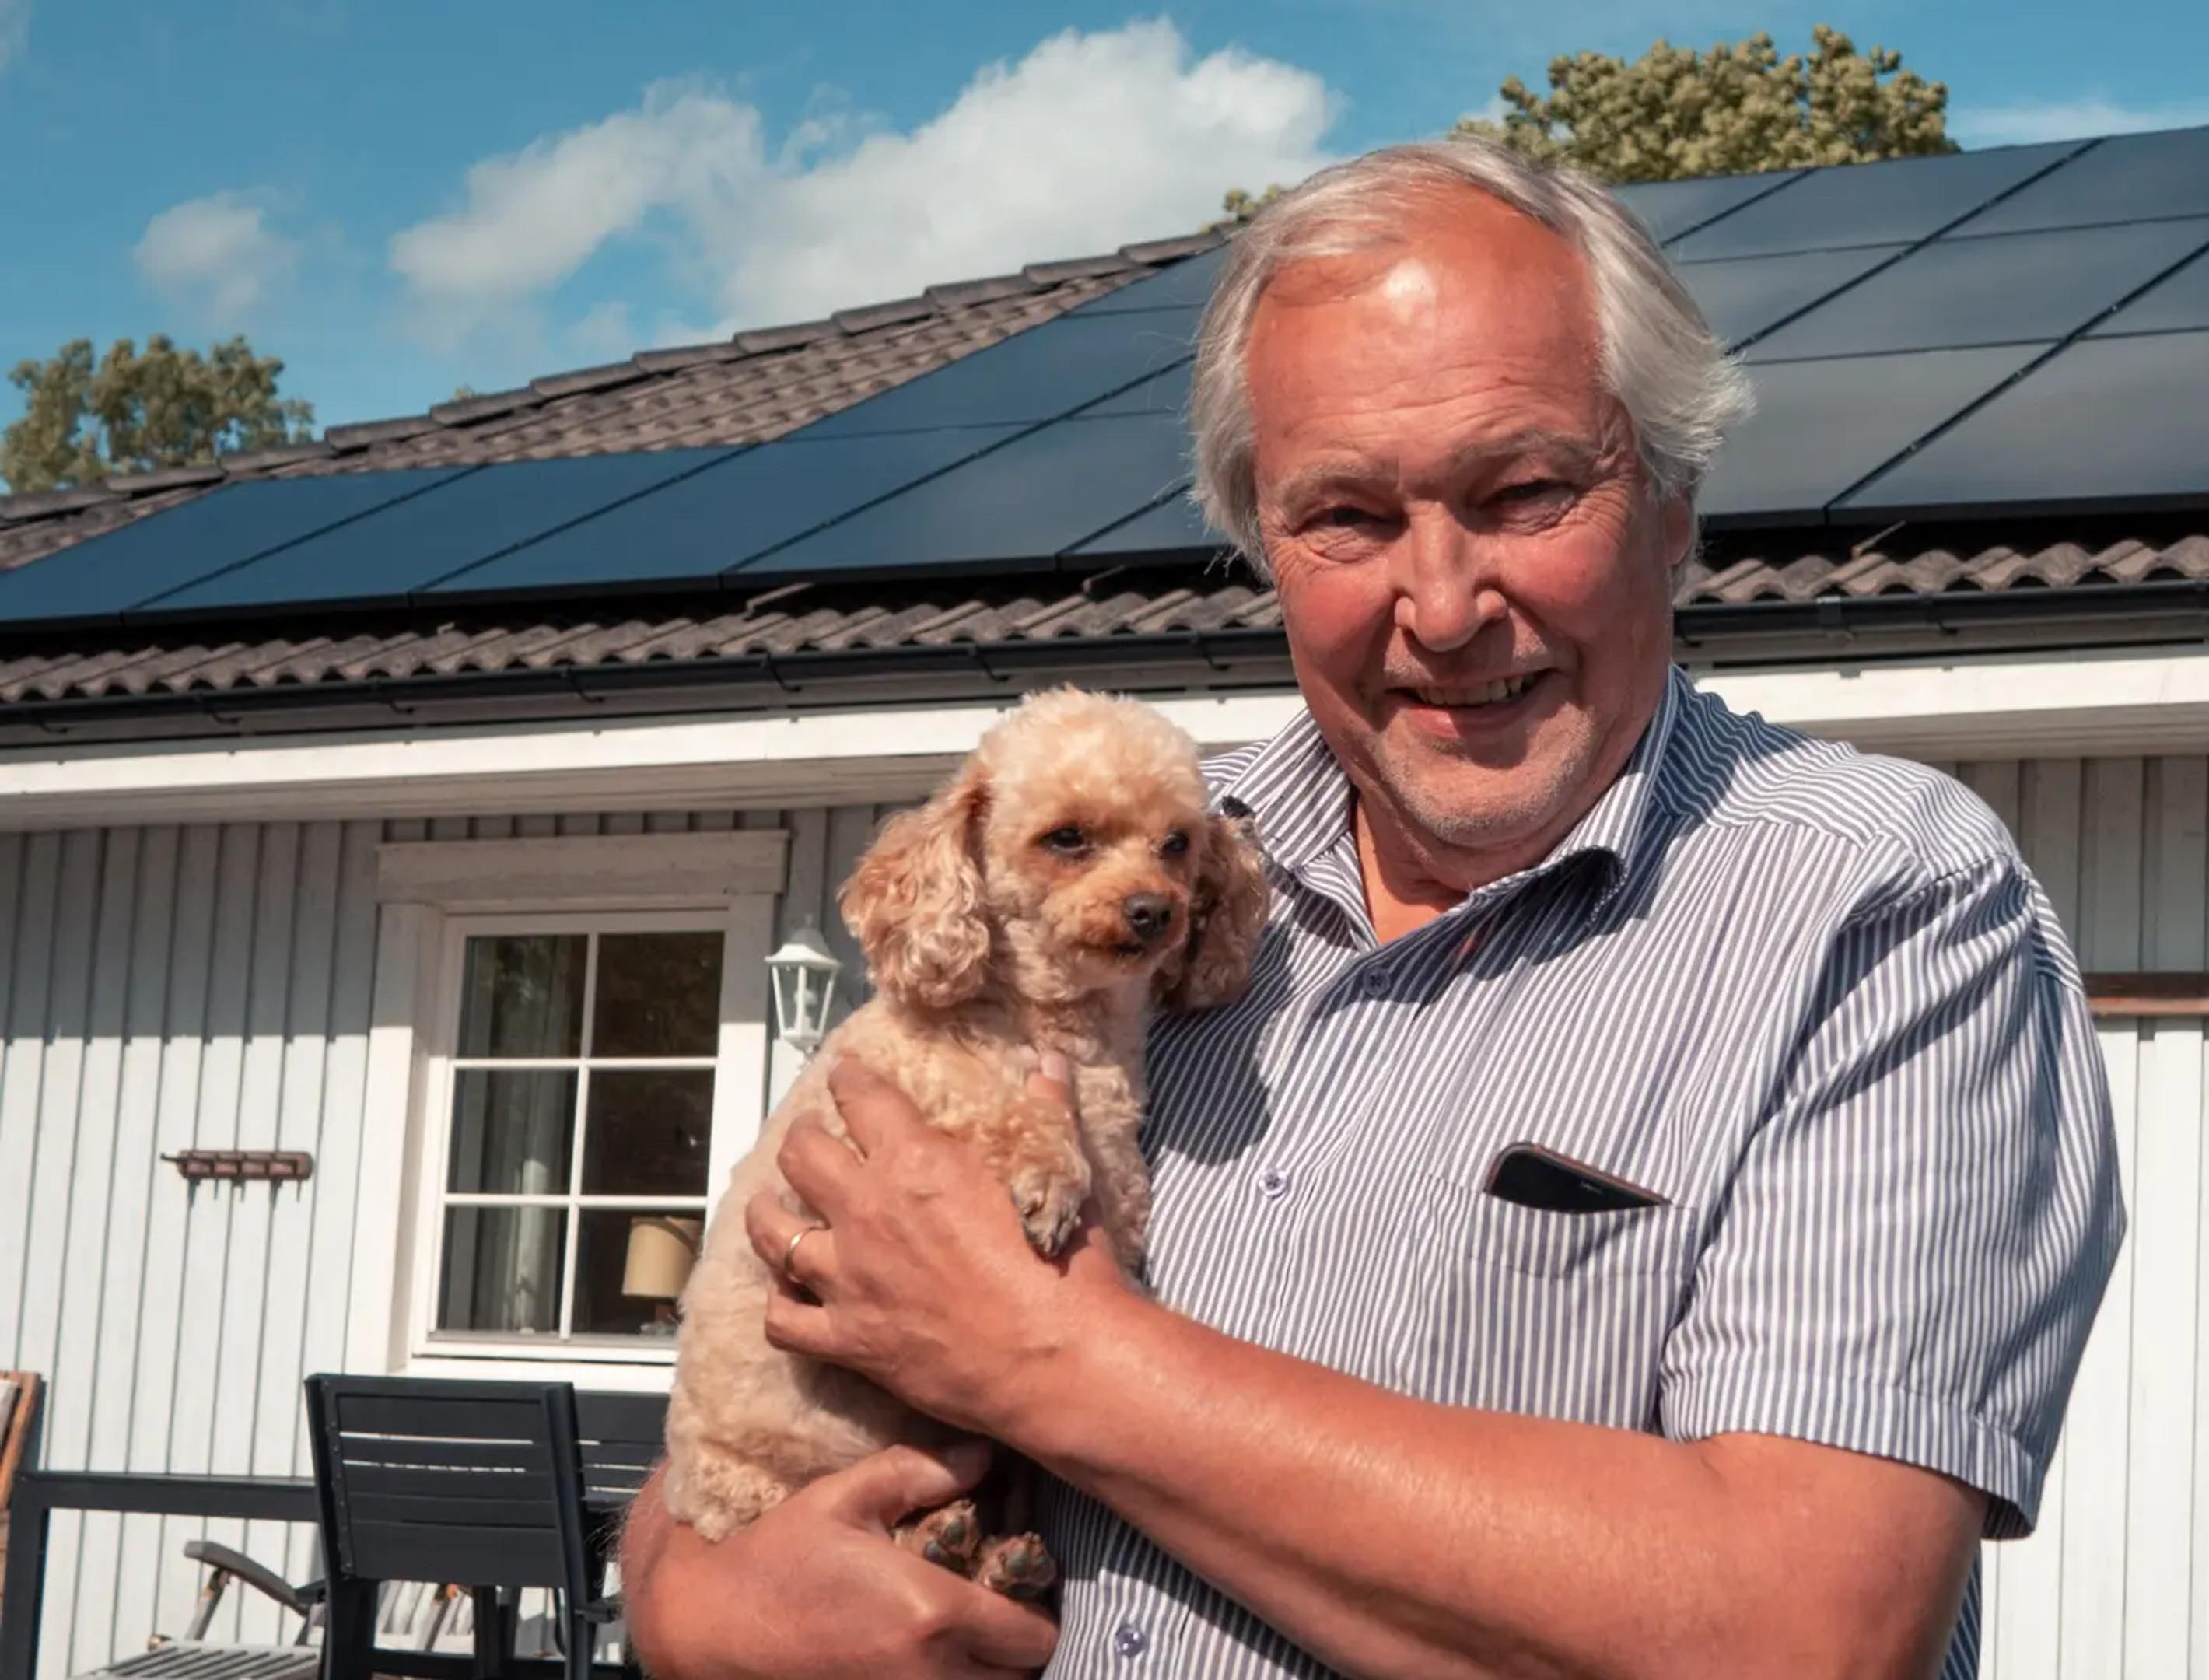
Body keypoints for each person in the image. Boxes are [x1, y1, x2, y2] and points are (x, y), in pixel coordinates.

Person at [618, 136, 2125, 1680]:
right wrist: (681, 1594)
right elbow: (770, 1331)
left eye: (1525, 487)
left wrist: (1058, 1361)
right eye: (1346, 515)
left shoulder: (1879, 903)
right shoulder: (1142, 863)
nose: (1448, 602)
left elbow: (1806, 1632)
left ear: (1674, 503)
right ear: (1263, 542)